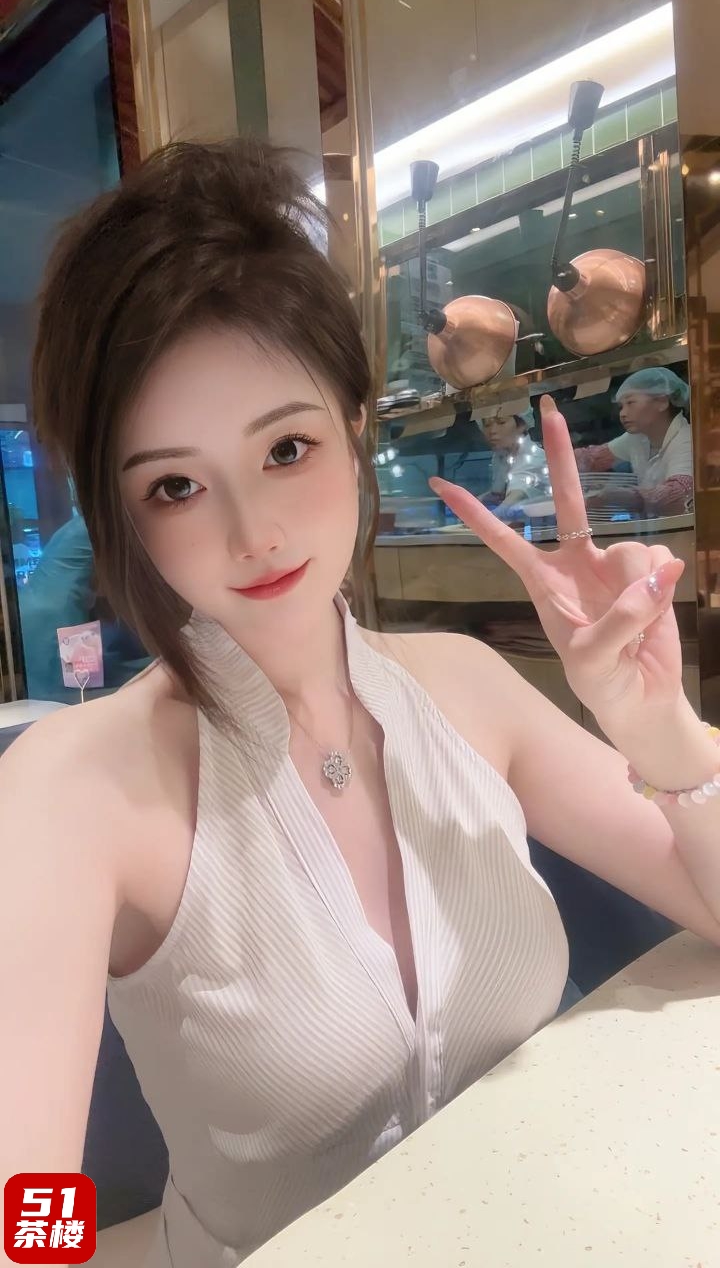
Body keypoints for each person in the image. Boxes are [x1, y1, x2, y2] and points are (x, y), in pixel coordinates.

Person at [2, 140, 719, 1268]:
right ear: (120, 510)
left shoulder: (461, 684)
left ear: (351, 425)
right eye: (176, 484)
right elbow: (22, 1197)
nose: (253, 532)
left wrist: (657, 729)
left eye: (285, 447)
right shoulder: (72, 785)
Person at [18, 513, 152, 701]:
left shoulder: (79, 525)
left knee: (44, 683)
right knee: (72, 686)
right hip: (62, 605)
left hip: (35, 602)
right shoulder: (106, 521)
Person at [574, 367, 693, 518]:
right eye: (621, 406)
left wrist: (622, 496)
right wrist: (552, 458)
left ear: (662, 402)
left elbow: (679, 495)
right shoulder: (638, 438)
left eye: (630, 403)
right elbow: (592, 459)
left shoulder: (686, 439)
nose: (622, 413)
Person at [478, 403, 549, 520]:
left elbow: (516, 495)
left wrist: (483, 519)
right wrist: (476, 502)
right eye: (487, 424)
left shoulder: (534, 456)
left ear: (522, 425)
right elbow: (498, 493)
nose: (492, 431)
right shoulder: (500, 456)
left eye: (501, 422)